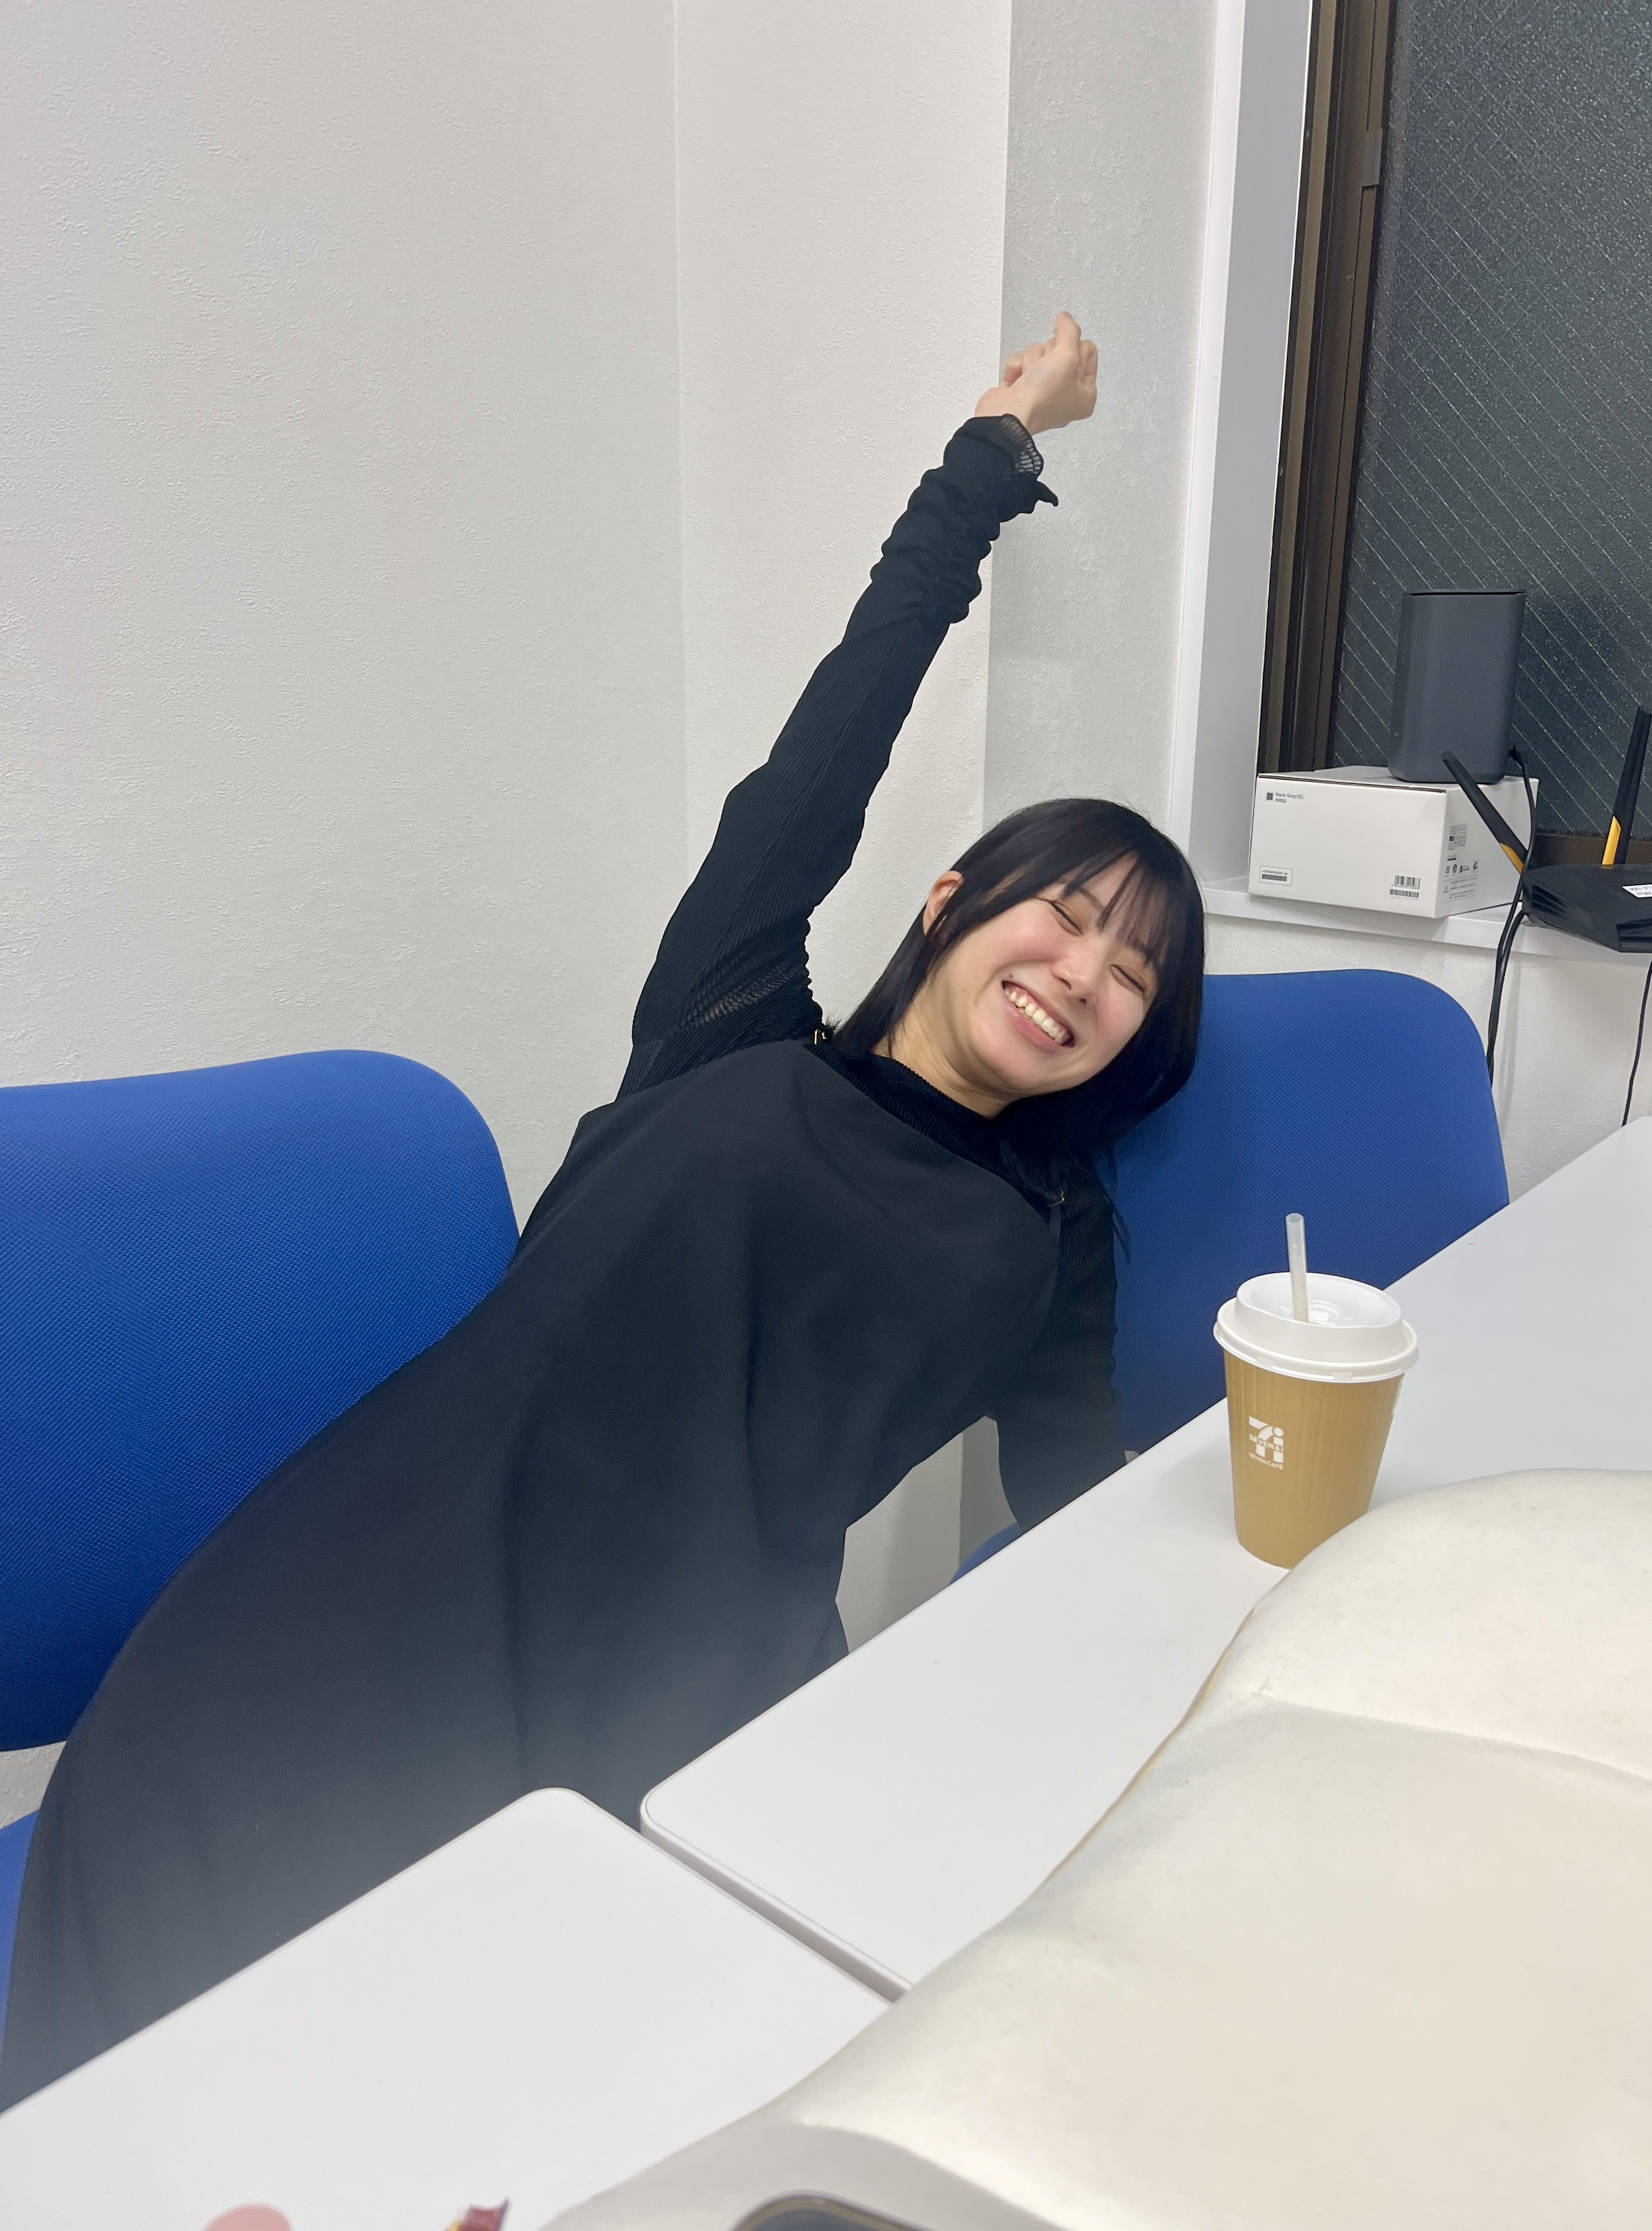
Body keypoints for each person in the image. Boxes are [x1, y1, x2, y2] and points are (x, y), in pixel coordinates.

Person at [0, 313, 1204, 2104]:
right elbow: (826, 752)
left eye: (1133, 975)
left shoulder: (1052, 1238)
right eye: (1067, 915)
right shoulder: (733, 1019)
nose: (1083, 974)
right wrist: (986, 462)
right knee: (225, 2093)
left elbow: (1081, 1507)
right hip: (352, 1624)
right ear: (955, 898)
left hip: (691, 1716)